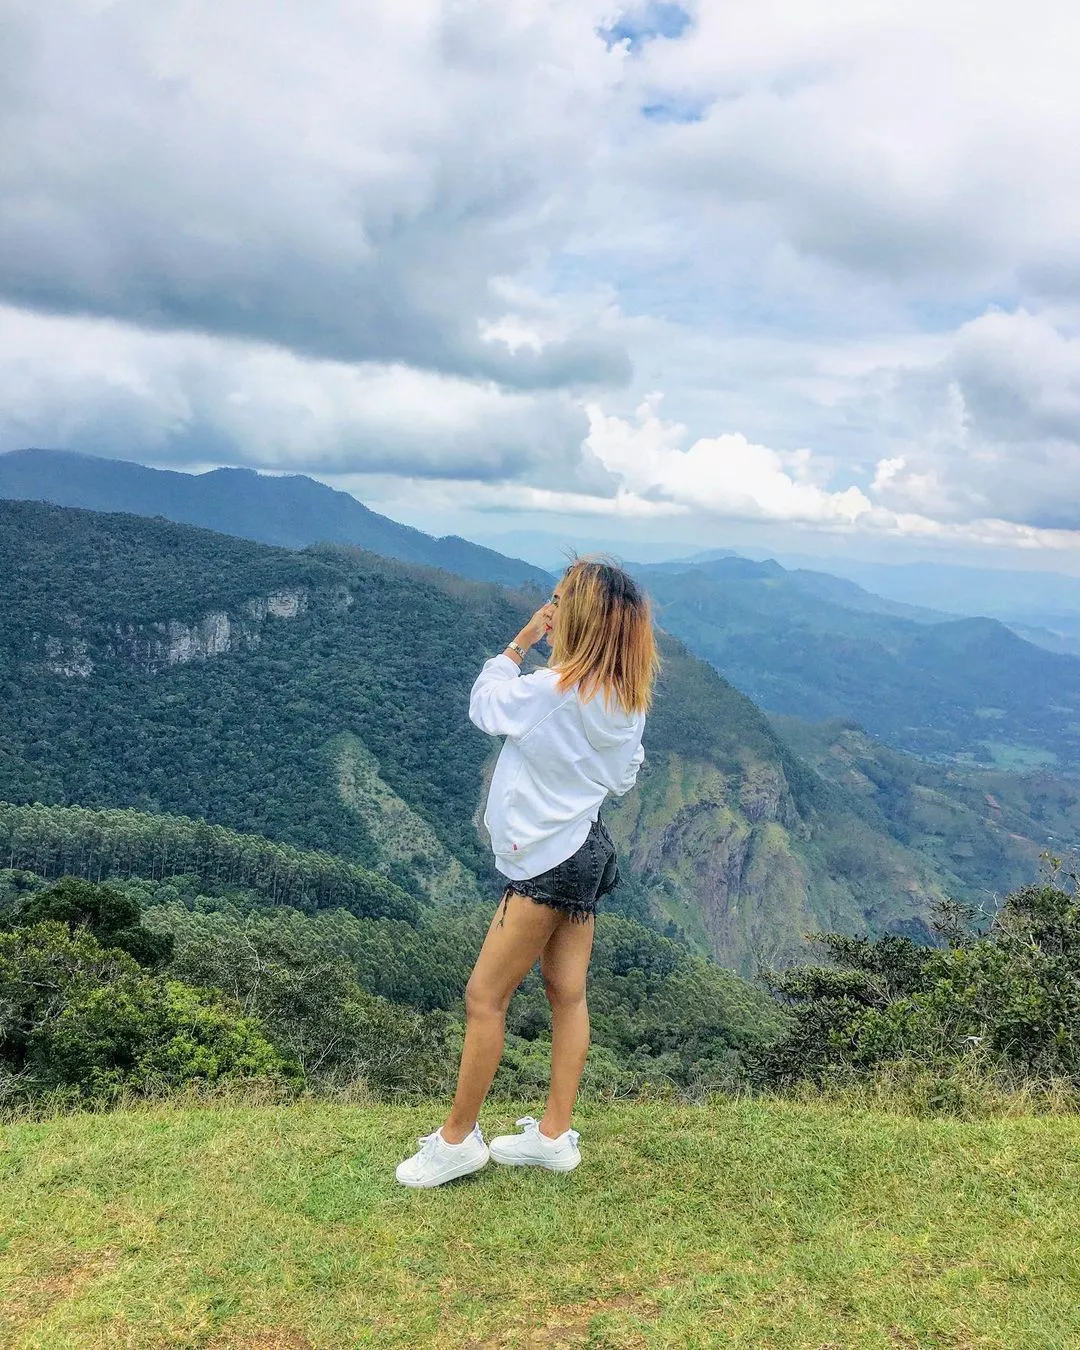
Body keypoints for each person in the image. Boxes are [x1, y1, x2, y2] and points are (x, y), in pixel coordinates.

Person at [396, 558, 659, 1188]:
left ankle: (456, 1140)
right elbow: (623, 776)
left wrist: (519, 642)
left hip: (545, 862)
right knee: (567, 994)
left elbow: (485, 706)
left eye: (560, 597)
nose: (550, 603)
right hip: (588, 850)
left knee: (485, 998)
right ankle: (552, 1136)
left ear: (581, 616)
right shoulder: (625, 700)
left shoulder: (551, 691)